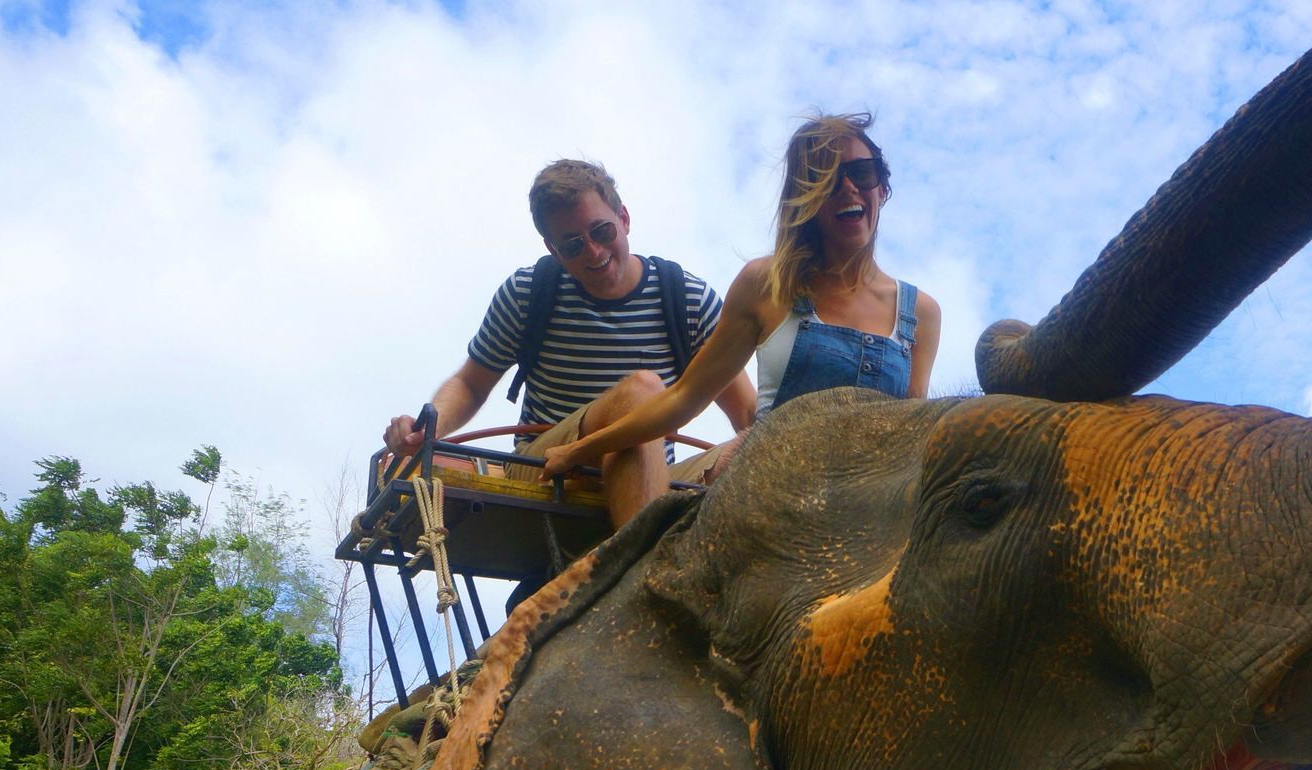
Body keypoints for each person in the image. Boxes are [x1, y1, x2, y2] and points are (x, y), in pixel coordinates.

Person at [538, 113, 939, 519]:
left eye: (862, 172)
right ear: (806, 196)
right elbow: (682, 399)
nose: (848, 187)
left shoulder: (920, 313)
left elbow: (912, 440)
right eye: (828, 178)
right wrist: (580, 450)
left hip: (869, 515)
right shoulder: (767, 285)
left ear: (882, 186)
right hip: (775, 504)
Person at [383, 158, 757, 529]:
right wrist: (426, 428)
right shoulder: (529, 293)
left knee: (770, 443)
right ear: (553, 249)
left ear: (623, 219)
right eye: (574, 245)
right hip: (549, 469)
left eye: (602, 232)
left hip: (652, 478)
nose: (594, 253)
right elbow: (470, 383)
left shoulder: (685, 299)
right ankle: (642, 568)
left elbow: (748, 415)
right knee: (643, 390)